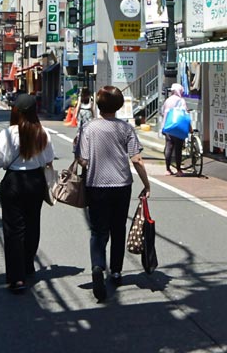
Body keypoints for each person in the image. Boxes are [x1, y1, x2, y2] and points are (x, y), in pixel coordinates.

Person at [77, 86, 150, 301]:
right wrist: (146, 184)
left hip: (96, 185)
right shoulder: (125, 129)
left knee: (98, 231)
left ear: (97, 105)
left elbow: (82, 160)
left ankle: (98, 266)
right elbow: (136, 159)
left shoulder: (88, 128)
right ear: (118, 106)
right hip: (121, 185)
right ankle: (116, 271)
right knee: (118, 228)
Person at [0, 94, 54, 292]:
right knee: (32, 224)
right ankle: (28, 265)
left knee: (13, 230)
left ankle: (16, 278)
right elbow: (49, 159)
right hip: (36, 181)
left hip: (14, 181)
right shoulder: (42, 132)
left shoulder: (8, 134)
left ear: (16, 111)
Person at [160, 83, 189, 176]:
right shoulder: (181, 101)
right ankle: (179, 170)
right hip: (178, 127)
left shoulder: (167, 100)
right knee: (178, 148)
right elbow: (185, 114)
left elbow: (162, 112)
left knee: (169, 146)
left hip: (168, 127)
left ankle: (167, 169)